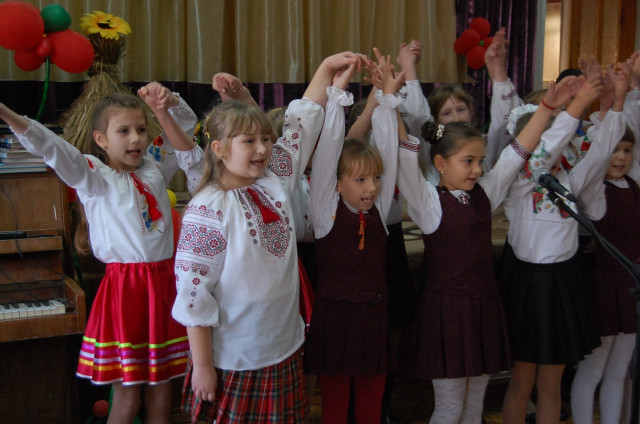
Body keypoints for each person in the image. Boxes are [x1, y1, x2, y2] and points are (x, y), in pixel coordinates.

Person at [170, 51, 364, 424]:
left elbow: (301, 125)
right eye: (249, 141)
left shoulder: (274, 180)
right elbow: (194, 293)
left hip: (282, 344)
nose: (262, 148)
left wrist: (326, 68)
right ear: (219, 149)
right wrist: (204, 366)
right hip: (235, 356)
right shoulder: (207, 210)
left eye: (265, 138)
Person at [0, 84, 199, 423]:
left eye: (140, 129)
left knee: (162, 388)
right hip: (126, 290)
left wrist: (170, 102)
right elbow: (52, 147)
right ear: (101, 139)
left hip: (164, 284)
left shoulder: (154, 166)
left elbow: (183, 127)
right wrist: (5, 113)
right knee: (127, 395)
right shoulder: (93, 175)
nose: (135, 138)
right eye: (124, 131)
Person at [395, 75, 580, 424]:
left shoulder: (485, 193)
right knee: (450, 407)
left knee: (473, 406)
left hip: (483, 309)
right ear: (441, 164)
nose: (478, 169)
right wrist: (389, 102)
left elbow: (517, 151)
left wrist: (546, 108)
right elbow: (405, 161)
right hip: (447, 313)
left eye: (480, 161)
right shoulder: (429, 203)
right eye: (468, 161)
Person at [499, 63, 629, 424]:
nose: (554, 149)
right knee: (522, 381)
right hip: (527, 285)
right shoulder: (521, 182)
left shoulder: (570, 180)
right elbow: (544, 152)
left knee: (551, 384)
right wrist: (577, 107)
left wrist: (615, 104)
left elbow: (600, 153)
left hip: (561, 285)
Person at [303, 50, 405, 424]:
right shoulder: (325, 212)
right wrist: (335, 97)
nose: (372, 187)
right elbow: (328, 152)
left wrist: (386, 99)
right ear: (337, 183)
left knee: (370, 403)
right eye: (360, 180)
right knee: (334, 403)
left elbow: (389, 151)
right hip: (335, 319)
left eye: (375, 179)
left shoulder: (379, 210)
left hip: (373, 317)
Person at [399, 28, 523, 182]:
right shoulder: (430, 148)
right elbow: (416, 117)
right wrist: (408, 66)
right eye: (447, 113)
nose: (456, 117)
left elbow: (505, 123)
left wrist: (497, 68)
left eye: (461, 109)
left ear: (471, 112)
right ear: (436, 121)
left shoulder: (482, 145)